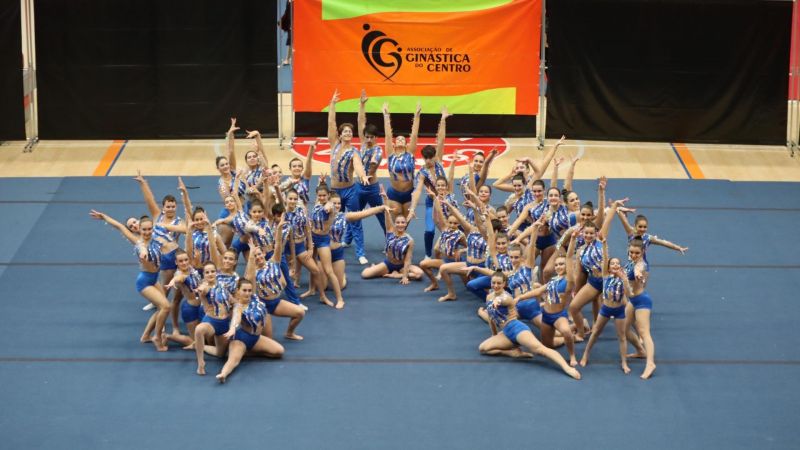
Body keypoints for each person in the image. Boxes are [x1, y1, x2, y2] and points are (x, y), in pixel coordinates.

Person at [89, 210, 171, 352]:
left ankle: (145, 336)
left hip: (154, 279)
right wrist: (105, 217)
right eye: (144, 230)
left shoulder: (155, 238)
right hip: (145, 282)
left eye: (149, 229)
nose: (147, 232)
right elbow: (120, 227)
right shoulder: (139, 242)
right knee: (165, 307)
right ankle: (157, 337)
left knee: (161, 307)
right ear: (139, 230)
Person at [478, 271, 581, 380]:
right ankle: (513, 352)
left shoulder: (507, 297)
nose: (495, 285)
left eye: (499, 283)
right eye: (493, 283)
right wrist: (494, 334)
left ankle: (567, 368)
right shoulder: (489, 297)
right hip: (506, 333)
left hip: (517, 329)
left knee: (540, 349)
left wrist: (497, 301)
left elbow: (502, 300)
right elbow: (491, 318)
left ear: (504, 284)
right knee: (483, 348)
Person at [514, 231, 580, 366]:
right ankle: (573, 333)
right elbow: (538, 291)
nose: (558, 267)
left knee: (565, 331)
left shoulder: (569, 280)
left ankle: (572, 355)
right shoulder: (553, 281)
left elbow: (568, 257)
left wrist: (572, 239)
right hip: (546, 316)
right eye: (556, 265)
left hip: (558, 315)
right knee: (548, 345)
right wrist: (520, 297)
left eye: (561, 264)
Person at [245, 216, 307, 341]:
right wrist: (251, 254)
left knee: (300, 313)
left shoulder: (273, 262)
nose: (258, 257)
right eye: (255, 256)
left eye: (259, 254)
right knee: (269, 338)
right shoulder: (252, 270)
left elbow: (278, 246)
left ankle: (289, 333)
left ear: (264, 253)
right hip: (263, 305)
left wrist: (278, 229)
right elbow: (248, 279)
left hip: (276, 302)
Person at [326, 89, 371, 264]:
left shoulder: (354, 151)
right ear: (339, 134)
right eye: (345, 131)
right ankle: (330, 247)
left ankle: (360, 253)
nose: (348, 134)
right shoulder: (334, 145)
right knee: (331, 220)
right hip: (334, 191)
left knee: (356, 221)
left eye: (350, 132)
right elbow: (331, 123)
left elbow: (358, 165)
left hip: (350, 191)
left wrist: (363, 176)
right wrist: (332, 104)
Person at [579, 235, 634, 374]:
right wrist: (604, 244)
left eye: (617, 263)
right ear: (608, 267)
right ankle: (586, 354)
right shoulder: (605, 275)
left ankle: (624, 362)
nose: (615, 265)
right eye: (612, 263)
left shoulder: (623, 278)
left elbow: (629, 294)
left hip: (619, 310)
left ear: (620, 266)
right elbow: (605, 258)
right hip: (605, 309)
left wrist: (624, 280)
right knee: (595, 332)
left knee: (622, 336)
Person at [216, 278, 284, 383]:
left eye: (249, 290)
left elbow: (251, 275)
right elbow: (236, 318)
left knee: (279, 351)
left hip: (256, 338)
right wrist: (233, 328)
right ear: (238, 291)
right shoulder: (238, 306)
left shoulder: (255, 298)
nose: (247, 293)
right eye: (244, 290)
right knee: (233, 361)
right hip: (241, 339)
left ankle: (247, 352)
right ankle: (223, 374)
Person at [408, 106, 450, 259]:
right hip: (431, 203)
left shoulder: (439, 162)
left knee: (452, 228)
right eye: (425, 158)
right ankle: (427, 255)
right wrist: (412, 208)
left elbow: (441, 140)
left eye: (430, 158)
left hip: (447, 201)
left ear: (434, 157)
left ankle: (453, 251)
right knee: (430, 230)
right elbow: (418, 191)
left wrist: (443, 119)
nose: (427, 161)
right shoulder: (422, 173)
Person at [346, 89, 386, 245]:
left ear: (376, 138)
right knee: (354, 213)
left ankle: (390, 240)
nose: (368, 139)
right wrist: (362, 105)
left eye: (371, 137)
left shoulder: (378, 150)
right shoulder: (363, 144)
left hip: (371, 188)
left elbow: (374, 162)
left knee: (381, 215)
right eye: (367, 136)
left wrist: (371, 168)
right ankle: (347, 240)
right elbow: (361, 122)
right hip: (359, 186)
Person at [361, 187, 424, 283]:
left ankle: (396, 275)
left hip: (402, 266)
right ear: (395, 223)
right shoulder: (390, 231)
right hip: (388, 264)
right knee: (365, 274)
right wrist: (385, 199)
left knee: (419, 274)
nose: (400, 225)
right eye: (398, 222)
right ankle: (383, 270)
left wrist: (404, 276)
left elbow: (408, 260)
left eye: (402, 222)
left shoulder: (409, 240)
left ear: (405, 224)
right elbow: (387, 213)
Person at [419, 194, 466, 301]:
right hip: (445, 261)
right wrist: (435, 199)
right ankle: (436, 284)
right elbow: (440, 215)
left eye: (455, 223)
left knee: (468, 285)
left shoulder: (461, 235)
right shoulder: (445, 229)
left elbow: (469, 247)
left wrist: (462, 250)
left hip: (456, 262)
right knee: (423, 264)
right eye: (450, 223)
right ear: (447, 222)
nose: (452, 225)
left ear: (459, 224)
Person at [623, 237, 657, 379]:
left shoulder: (641, 264)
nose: (633, 255)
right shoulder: (631, 262)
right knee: (624, 329)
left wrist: (638, 276)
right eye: (631, 252)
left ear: (642, 252)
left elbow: (638, 270)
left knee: (644, 333)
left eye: (637, 253)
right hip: (632, 301)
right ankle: (640, 350)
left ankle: (650, 363)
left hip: (642, 301)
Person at [308, 181, 344, 309]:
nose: (322, 197)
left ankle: (340, 299)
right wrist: (320, 182)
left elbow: (328, 208)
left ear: (328, 195)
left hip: (323, 240)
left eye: (324, 195)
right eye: (319, 195)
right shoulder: (317, 204)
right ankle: (312, 289)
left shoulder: (329, 206)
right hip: (313, 237)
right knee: (312, 265)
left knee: (328, 270)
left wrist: (328, 207)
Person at [382, 101, 420, 219]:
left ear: (406, 145)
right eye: (398, 139)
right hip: (394, 193)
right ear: (394, 144)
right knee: (397, 216)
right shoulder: (390, 154)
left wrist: (417, 116)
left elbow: (414, 135)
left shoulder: (410, 154)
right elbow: (388, 136)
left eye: (402, 139)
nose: (400, 140)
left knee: (406, 220)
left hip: (409, 193)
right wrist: (386, 115)